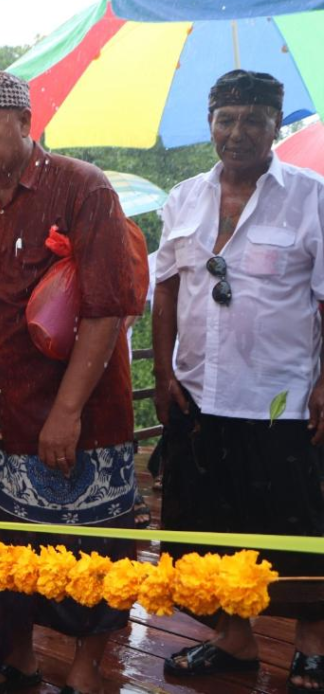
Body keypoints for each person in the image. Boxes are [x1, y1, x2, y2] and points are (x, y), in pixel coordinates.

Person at [0, 71, 145, 694]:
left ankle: (86, 670)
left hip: (79, 417)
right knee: (8, 551)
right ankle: (14, 663)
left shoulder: (83, 187)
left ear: (26, 124)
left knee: (92, 551)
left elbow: (109, 306)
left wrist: (68, 411)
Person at [153, 70, 324, 692]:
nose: (238, 132)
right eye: (226, 119)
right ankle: (234, 641)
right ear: (210, 124)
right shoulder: (183, 199)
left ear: (277, 123)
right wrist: (163, 372)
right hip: (200, 393)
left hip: (281, 398)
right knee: (203, 527)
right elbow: (166, 290)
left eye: (254, 118)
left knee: (298, 529)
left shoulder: (312, 197)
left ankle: (311, 645)